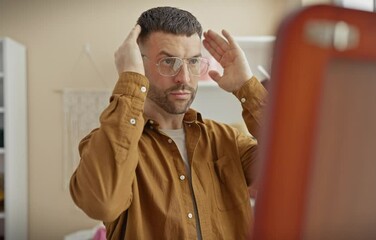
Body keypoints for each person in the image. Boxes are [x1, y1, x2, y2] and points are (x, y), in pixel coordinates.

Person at [69, 6, 267, 240]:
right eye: (168, 62)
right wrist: (130, 80)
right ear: (139, 64)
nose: (184, 77)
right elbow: (102, 203)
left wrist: (247, 87)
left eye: (193, 62)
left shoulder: (227, 139)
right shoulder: (106, 145)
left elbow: (299, 164)